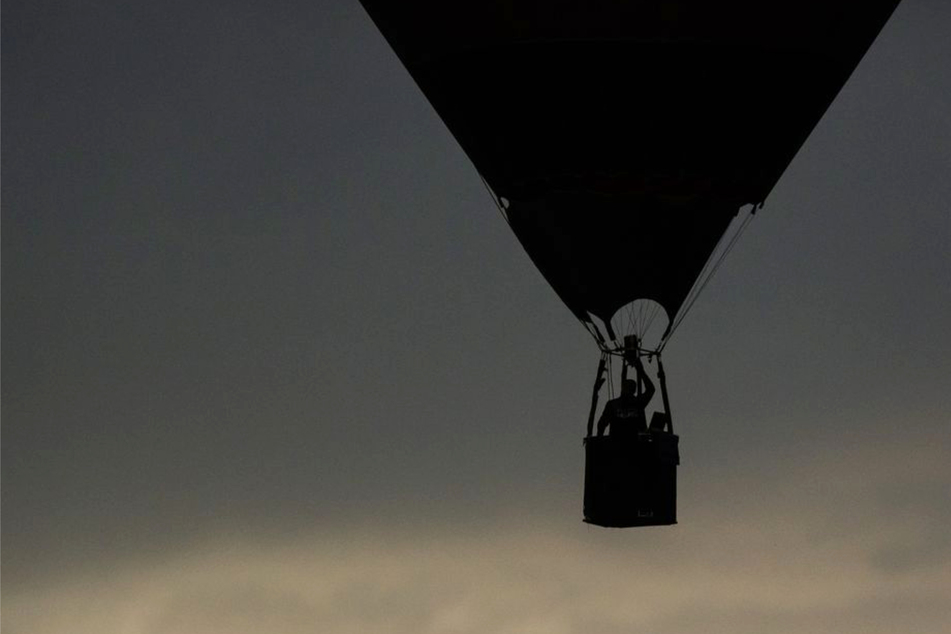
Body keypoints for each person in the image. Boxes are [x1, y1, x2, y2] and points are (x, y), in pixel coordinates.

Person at [596, 354, 655, 437]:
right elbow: (602, 424)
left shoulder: (636, 402)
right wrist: (640, 370)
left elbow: (601, 424)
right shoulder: (636, 403)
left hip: (629, 441)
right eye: (627, 387)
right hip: (622, 441)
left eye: (629, 387)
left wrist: (640, 370)